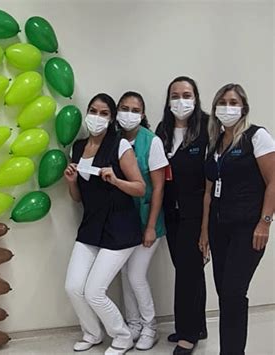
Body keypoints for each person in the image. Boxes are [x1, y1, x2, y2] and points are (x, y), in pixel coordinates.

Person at [64, 93, 146, 355]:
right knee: (73, 287)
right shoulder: (77, 148)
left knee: (94, 291)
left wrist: (116, 180)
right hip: (91, 226)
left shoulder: (119, 146)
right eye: (93, 111)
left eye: (103, 113)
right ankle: (92, 333)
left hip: (120, 228)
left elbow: (140, 188)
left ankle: (122, 337)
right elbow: (78, 199)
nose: (96, 118)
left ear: (111, 119)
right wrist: (71, 182)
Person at [200, 83, 274, 355]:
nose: (227, 108)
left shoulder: (257, 136)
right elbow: (209, 192)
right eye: (222, 102)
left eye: (233, 102)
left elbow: (274, 181)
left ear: (244, 108)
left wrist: (265, 222)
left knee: (233, 293)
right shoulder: (216, 142)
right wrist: (204, 231)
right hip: (219, 229)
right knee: (225, 295)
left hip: (248, 228)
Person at [155, 76, 208, 354]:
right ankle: (197, 325)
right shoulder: (163, 129)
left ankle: (188, 334)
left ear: (196, 98)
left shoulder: (207, 127)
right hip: (171, 212)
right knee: (189, 271)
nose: (180, 100)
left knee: (188, 273)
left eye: (186, 95)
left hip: (196, 213)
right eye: (175, 95)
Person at [116, 91, 168, 350]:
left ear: (143, 114)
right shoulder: (113, 140)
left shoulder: (152, 142)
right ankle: (133, 323)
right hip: (123, 221)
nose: (129, 113)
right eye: (124, 108)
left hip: (149, 221)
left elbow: (158, 188)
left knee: (136, 275)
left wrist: (150, 227)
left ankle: (150, 327)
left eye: (135, 109)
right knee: (125, 274)